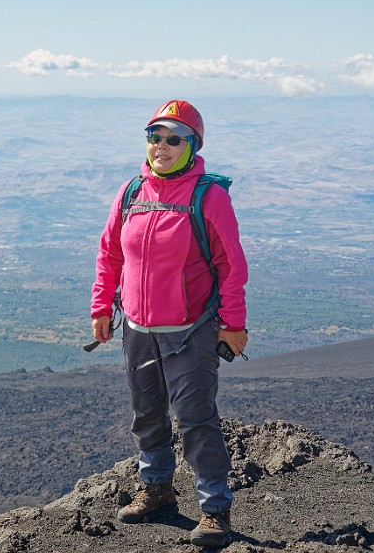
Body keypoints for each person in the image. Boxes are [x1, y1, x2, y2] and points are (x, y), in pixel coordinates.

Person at [90, 99, 248, 548]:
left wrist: (232, 324)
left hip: (190, 330)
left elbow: (231, 265)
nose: (161, 146)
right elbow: (110, 253)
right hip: (136, 328)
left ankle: (215, 509)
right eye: (154, 136)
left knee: (196, 419)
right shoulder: (131, 192)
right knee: (146, 413)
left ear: (192, 144)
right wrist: (102, 307)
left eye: (173, 138)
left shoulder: (208, 196)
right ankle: (157, 490)